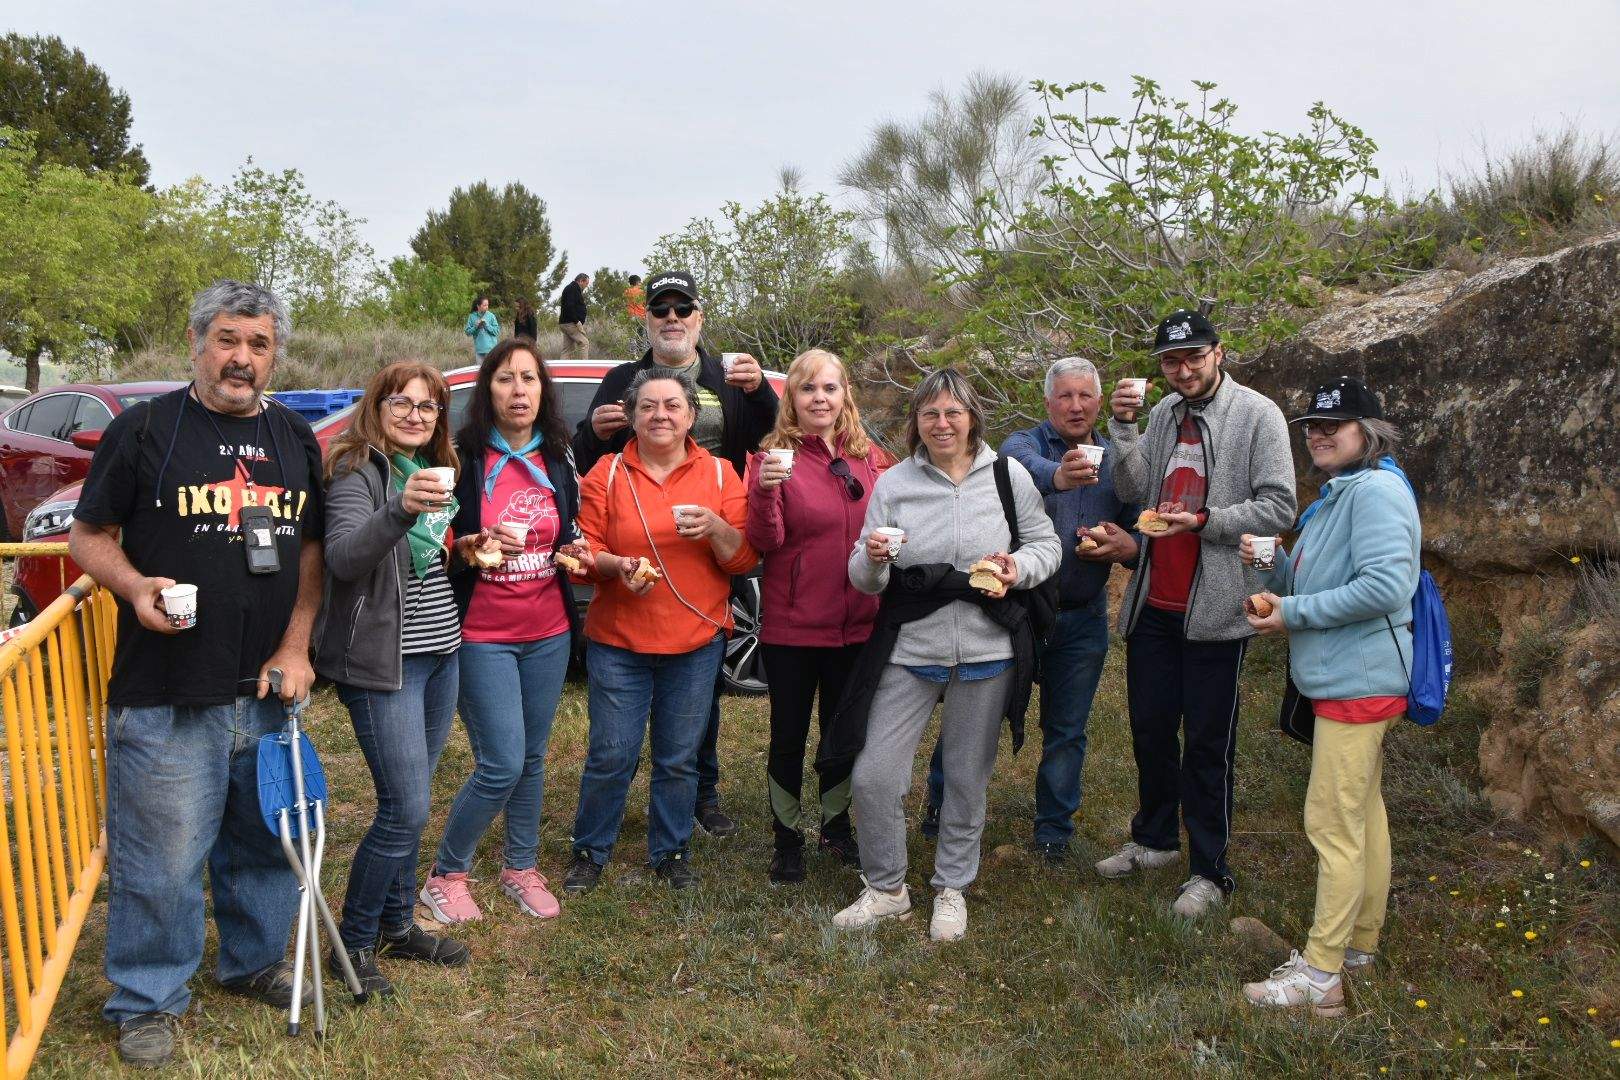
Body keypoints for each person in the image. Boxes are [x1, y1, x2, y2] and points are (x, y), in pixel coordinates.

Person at [68, 280, 326, 1069]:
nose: (241, 358)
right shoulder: (145, 430)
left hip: (266, 689)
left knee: (262, 837)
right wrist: (135, 586)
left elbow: (309, 553)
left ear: (274, 351)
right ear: (195, 341)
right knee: (164, 856)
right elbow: (87, 536)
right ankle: (147, 998)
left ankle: (251, 962)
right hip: (168, 687)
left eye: (257, 343)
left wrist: (297, 646)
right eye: (227, 339)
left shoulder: (294, 437)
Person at [829, 369, 1060, 942]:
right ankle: (886, 888)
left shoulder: (1009, 476)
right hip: (911, 649)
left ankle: (951, 886)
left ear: (973, 417)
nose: (942, 424)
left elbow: (1046, 544)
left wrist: (1017, 569)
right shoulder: (895, 483)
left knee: (964, 778)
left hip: (987, 648)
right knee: (875, 776)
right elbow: (863, 575)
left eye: (953, 412)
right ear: (916, 423)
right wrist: (876, 557)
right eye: (930, 413)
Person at [1094, 308, 1296, 918]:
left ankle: (1210, 869)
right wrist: (1123, 425)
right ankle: (1154, 839)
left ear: (1219, 353)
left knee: (1209, 742)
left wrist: (1206, 522)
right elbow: (1133, 490)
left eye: (1193, 357)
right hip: (1156, 600)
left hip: (1215, 609)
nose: (1182, 370)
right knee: (1151, 729)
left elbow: (1280, 506)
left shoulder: (1258, 416)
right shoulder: (1164, 415)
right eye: (1170, 361)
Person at [572, 269, 778, 838]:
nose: (671, 319)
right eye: (660, 310)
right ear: (648, 319)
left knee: (700, 674)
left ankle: (701, 793)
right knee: (641, 710)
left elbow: (770, 435)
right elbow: (583, 454)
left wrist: (761, 390)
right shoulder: (621, 378)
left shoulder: (727, 377)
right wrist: (591, 427)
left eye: (681, 310)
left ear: (698, 319)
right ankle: (627, 810)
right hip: (636, 532)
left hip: (712, 528)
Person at [1240, 376, 1419, 1016]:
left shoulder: (1375, 493)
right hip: (1351, 679)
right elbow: (1325, 580)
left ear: (1366, 434)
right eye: (1311, 426)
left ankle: (1320, 976)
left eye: (1332, 425)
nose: (1317, 434)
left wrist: (1292, 612)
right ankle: (1360, 943)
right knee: (1364, 814)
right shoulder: (1337, 496)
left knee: (1331, 825)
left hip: (1359, 684)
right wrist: (1274, 564)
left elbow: (1385, 588)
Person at [920, 356, 1142, 863]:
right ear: (1048, 403)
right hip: (1015, 612)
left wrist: (1124, 546)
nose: (1075, 405)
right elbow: (1029, 472)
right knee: (976, 714)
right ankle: (940, 804)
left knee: (1067, 729)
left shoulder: (1119, 462)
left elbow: (1135, 522)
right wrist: (1062, 477)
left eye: (1085, 395)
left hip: (1083, 615)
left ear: (1100, 402)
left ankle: (1053, 832)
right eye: (1064, 396)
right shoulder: (1021, 446)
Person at [564, 368, 757, 894]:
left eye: (673, 405)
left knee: (678, 756)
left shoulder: (719, 474)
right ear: (631, 416)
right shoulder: (606, 472)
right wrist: (614, 565)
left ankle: (670, 849)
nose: (660, 415)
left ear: (692, 415)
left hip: (694, 642)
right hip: (619, 639)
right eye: (648, 406)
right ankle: (590, 849)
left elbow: (743, 558)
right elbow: (582, 559)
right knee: (612, 752)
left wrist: (717, 528)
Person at [316, 361, 468, 996]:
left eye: (428, 406)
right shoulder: (357, 471)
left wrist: (474, 544)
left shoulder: (423, 472)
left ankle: (398, 923)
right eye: (401, 402)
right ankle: (352, 943)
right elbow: (346, 558)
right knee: (403, 809)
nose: (415, 414)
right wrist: (402, 510)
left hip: (440, 653)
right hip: (386, 664)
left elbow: (420, 565)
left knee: (417, 796)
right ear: (375, 408)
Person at [419, 339, 581, 924]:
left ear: (543, 391)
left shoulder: (557, 460)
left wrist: (577, 551)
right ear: (488, 390)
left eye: (530, 380)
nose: (519, 391)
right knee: (502, 761)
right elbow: (431, 550)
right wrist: (467, 546)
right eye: (507, 379)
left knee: (533, 757)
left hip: (550, 630)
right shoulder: (462, 459)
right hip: (482, 632)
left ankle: (520, 865)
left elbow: (566, 535)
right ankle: (446, 874)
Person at [745, 348, 890, 885]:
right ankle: (786, 838)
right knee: (788, 734)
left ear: (845, 394)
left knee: (842, 731)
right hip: (794, 625)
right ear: (792, 400)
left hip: (858, 622)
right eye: (808, 389)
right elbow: (766, 540)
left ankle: (836, 825)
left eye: (830, 388)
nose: (820, 398)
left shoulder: (869, 459)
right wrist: (763, 493)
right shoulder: (771, 460)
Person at [559, 273, 590, 359]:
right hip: (570, 323)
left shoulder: (572, 288)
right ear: (581, 281)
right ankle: (585, 369)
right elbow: (569, 306)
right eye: (586, 283)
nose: (586, 286)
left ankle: (561, 370)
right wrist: (577, 322)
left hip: (566, 323)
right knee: (584, 343)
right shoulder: (572, 289)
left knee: (568, 349)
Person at [465, 296, 499, 360]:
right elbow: (467, 332)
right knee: (480, 369)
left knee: (490, 369)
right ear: (478, 306)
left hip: (491, 349)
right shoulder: (472, 316)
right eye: (484, 305)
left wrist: (487, 325)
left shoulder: (491, 316)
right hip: (479, 350)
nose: (487, 307)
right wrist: (476, 327)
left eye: (487, 305)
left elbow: (497, 331)